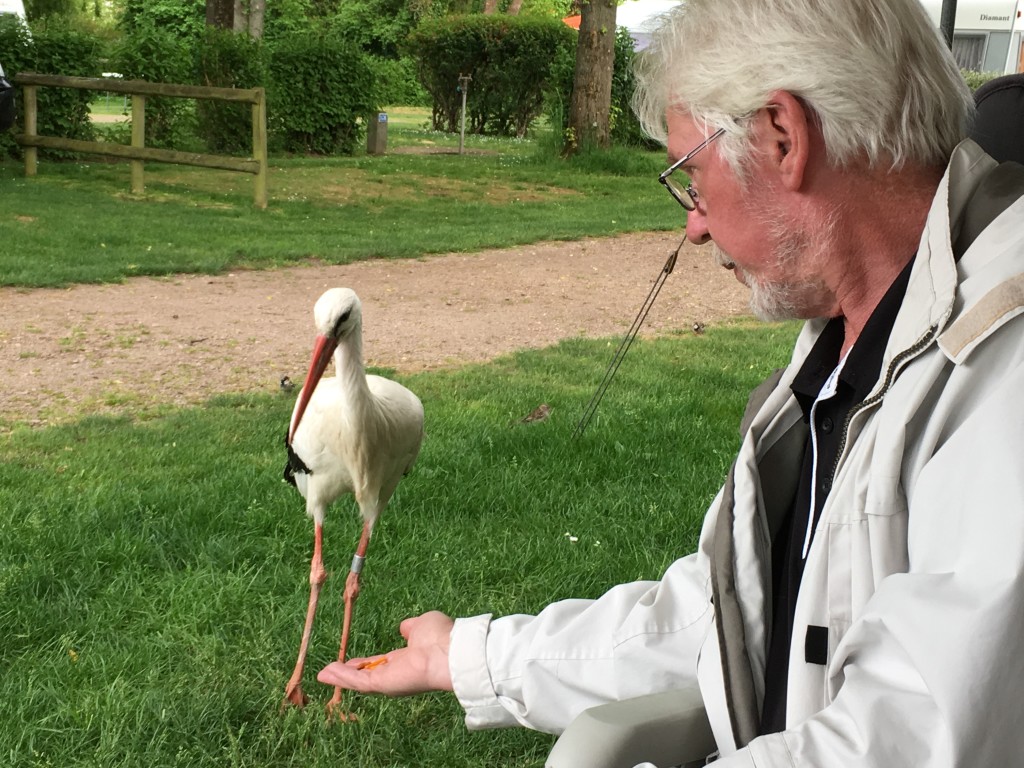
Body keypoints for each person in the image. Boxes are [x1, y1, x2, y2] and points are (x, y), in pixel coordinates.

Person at [318, 0, 1024, 763]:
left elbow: (910, 737)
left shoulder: (1002, 363)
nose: (693, 224)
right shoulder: (846, 343)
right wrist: (476, 657)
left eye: (691, 174)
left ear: (783, 137)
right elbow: (729, 613)